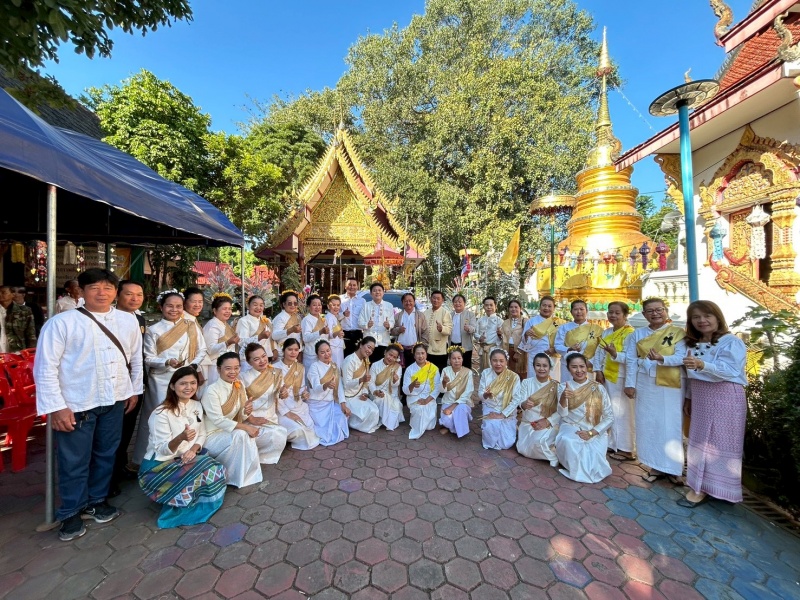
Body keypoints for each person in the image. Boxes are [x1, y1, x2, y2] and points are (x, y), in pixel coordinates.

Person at [34, 268, 143, 541]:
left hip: (115, 398)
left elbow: (135, 358)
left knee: (106, 453)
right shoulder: (62, 323)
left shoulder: (127, 321)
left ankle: (96, 501)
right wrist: (57, 407)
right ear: (81, 291)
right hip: (77, 403)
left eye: (108, 288)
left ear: (115, 292)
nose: (101, 293)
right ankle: (71, 511)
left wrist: (133, 390)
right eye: (94, 287)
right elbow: (45, 367)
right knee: (74, 460)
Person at [679, 300, 748, 508]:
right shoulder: (693, 343)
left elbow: (731, 370)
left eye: (707, 315)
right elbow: (690, 375)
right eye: (696, 317)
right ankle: (699, 485)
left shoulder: (731, 342)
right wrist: (689, 398)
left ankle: (719, 489)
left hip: (725, 395)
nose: (702, 320)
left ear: (717, 317)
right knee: (700, 441)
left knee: (721, 443)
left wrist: (703, 364)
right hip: (701, 396)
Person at [138, 367, 226, 528]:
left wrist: (193, 449)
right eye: (183, 383)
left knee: (214, 468)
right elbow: (162, 449)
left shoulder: (196, 405)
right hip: (159, 466)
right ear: (172, 386)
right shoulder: (161, 413)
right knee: (208, 467)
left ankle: (190, 496)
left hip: (185, 457)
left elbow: (202, 433)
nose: (189, 387)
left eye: (193, 383)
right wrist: (180, 438)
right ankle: (173, 497)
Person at [133, 290, 208, 466]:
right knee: (159, 416)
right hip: (161, 380)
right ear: (161, 307)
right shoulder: (153, 330)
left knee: (185, 415)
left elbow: (202, 350)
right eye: (170, 306)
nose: (174, 310)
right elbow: (148, 358)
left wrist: (192, 366)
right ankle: (149, 459)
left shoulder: (191, 325)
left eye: (178, 306)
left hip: (185, 378)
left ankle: (185, 453)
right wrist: (166, 362)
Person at [624, 297, 687, 484]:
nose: (655, 314)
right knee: (649, 424)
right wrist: (630, 384)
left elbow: (682, 357)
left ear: (666, 310)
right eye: (650, 311)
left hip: (670, 385)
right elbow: (630, 360)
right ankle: (655, 466)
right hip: (645, 383)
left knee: (671, 425)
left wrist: (662, 359)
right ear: (644, 314)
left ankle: (674, 469)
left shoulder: (678, 333)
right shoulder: (637, 334)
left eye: (659, 309)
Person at [202, 353, 273, 487]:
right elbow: (218, 420)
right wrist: (246, 426)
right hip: (212, 436)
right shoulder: (211, 391)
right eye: (228, 368)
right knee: (241, 433)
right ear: (219, 369)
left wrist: (247, 410)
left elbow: (242, 415)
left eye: (236, 368)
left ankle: (248, 473)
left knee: (266, 432)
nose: (233, 372)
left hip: (229, 431)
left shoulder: (238, 385)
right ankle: (233, 477)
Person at [110, 280, 146, 495]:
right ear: (118, 295)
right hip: (116, 384)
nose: (134, 299)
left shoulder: (139, 319)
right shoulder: (109, 319)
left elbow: (138, 355)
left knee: (127, 430)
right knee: (113, 434)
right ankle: (109, 479)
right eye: (129, 294)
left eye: (139, 294)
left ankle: (120, 467)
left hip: (135, 384)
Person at [555, 353, 614, 483]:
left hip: (595, 430)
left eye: (582, 366)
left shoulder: (598, 388)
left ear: (587, 367)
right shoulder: (563, 387)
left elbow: (610, 417)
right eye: (574, 367)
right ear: (568, 369)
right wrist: (563, 397)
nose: (579, 370)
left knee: (594, 461)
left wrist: (591, 433)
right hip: (571, 426)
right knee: (570, 442)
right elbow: (562, 414)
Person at [592, 302, 636, 461]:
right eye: (610, 312)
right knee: (609, 410)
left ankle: (626, 448)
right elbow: (598, 353)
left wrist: (614, 353)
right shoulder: (606, 332)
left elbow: (631, 359)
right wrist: (597, 370)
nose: (613, 315)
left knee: (623, 413)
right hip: (606, 376)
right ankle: (612, 442)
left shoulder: (630, 334)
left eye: (617, 313)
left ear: (625, 315)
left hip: (621, 377)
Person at [241, 343, 290, 463]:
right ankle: (250, 451)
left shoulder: (275, 373)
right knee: (278, 434)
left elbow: (280, 392)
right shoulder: (243, 377)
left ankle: (254, 450)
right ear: (249, 362)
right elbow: (240, 403)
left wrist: (283, 393)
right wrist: (251, 418)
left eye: (264, 356)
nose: (262, 361)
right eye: (256, 359)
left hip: (270, 417)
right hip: (251, 419)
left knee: (281, 433)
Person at [513, 353, 560, 466]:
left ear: (550, 367)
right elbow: (520, 401)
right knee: (523, 450)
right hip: (528, 423)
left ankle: (554, 455)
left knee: (539, 442)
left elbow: (560, 411)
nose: (541, 368)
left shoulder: (556, 386)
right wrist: (524, 404)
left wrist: (547, 421)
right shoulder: (526, 383)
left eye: (545, 366)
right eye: (538, 365)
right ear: (533, 367)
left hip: (547, 425)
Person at [273, 338, 320, 450]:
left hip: (298, 405)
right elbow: (273, 395)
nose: (293, 352)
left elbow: (302, 388)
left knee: (312, 427)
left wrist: (304, 394)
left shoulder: (300, 367)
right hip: (281, 409)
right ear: (283, 350)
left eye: (296, 350)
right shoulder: (274, 368)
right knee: (298, 431)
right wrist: (287, 413)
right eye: (290, 349)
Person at [306, 340, 350, 445]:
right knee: (326, 430)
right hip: (317, 404)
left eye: (328, 350)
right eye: (322, 352)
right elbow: (316, 388)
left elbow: (339, 387)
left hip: (330, 403)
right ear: (317, 354)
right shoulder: (314, 367)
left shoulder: (334, 366)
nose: (326, 354)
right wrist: (326, 385)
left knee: (342, 416)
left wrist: (343, 404)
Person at [478, 348, 520, 450]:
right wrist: (485, 395)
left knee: (506, 443)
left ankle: (510, 426)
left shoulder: (514, 377)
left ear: (506, 361)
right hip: (490, 407)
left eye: (501, 361)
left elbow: (516, 399)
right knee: (491, 431)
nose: (498, 364)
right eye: (495, 360)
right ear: (490, 361)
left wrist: (502, 415)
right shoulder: (486, 373)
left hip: (507, 411)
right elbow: (480, 394)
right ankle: (487, 426)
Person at [554, 300, 604, 382]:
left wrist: (591, 362)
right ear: (571, 312)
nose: (579, 312)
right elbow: (557, 346)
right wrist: (569, 349)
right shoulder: (564, 328)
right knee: (568, 387)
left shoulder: (596, 329)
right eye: (576, 309)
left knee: (586, 389)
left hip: (588, 365)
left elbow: (601, 349)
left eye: (581, 309)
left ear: (586, 311)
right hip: (568, 365)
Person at [341, 336, 381, 433]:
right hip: (348, 397)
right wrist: (360, 380)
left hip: (359, 395)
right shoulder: (349, 360)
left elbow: (366, 383)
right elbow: (346, 384)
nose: (370, 351)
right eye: (368, 347)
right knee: (370, 412)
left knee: (375, 410)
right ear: (361, 345)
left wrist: (365, 393)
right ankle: (351, 422)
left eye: (372, 349)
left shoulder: (365, 360)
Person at [403, 343, 441, 439]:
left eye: (423, 353)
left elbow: (437, 388)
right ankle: (415, 421)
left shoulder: (433, 368)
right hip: (414, 398)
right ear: (414, 355)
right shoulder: (409, 369)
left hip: (429, 398)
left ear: (426, 354)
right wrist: (412, 385)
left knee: (430, 426)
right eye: (418, 353)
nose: (420, 356)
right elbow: (405, 390)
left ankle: (416, 420)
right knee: (420, 410)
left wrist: (426, 400)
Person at [202, 294, 240, 387]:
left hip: (228, 365)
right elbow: (210, 349)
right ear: (215, 311)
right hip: (216, 367)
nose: (228, 311)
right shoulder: (212, 325)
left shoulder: (224, 324)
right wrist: (227, 343)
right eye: (224, 309)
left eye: (230, 309)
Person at [519, 295, 560, 381]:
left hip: (553, 356)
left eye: (549, 306)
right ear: (540, 306)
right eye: (544, 305)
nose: (546, 308)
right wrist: (526, 334)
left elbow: (563, 341)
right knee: (534, 381)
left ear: (554, 308)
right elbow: (523, 341)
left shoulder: (558, 323)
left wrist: (555, 349)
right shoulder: (531, 321)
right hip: (535, 356)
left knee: (552, 382)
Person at [438, 345, 475, 438]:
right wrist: (444, 382)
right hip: (448, 401)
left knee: (460, 410)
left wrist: (452, 407)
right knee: (446, 420)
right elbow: (441, 390)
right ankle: (457, 425)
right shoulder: (445, 370)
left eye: (459, 358)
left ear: (462, 359)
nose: (457, 361)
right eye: (454, 358)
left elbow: (468, 392)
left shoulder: (468, 372)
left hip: (462, 403)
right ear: (450, 360)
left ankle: (456, 428)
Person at [369, 343, 404, 431]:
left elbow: (395, 386)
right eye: (390, 355)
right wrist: (375, 392)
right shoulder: (375, 365)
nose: (391, 358)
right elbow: (371, 382)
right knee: (382, 400)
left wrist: (395, 380)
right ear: (385, 352)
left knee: (396, 407)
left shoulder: (398, 367)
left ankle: (384, 421)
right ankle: (385, 421)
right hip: (377, 393)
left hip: (391, 395)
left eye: (394, 357)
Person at [390, 292, 428, 368]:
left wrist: (422, 346)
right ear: (402, 303)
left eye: (410, 301)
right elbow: (391, 331)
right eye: (405, 301)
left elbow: (425, 332)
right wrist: (398, 330)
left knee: (415, 370)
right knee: (401, 370)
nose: (408, 303)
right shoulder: (398, 316)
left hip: (415, 350)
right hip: (401, 350)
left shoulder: (420, 316)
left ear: (414, 302)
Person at [359, 282, 394, 363]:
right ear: (371, 293)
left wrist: (388, 325)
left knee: (382, 365)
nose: (377, 292)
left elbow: (392, 321)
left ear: (383, 292)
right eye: (374, 290)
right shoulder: (366, 305)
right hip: (369, 343)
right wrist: (367, 324)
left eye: (379, 290)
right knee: (368, 364)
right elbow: (360, 322)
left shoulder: (389, 305)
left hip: (384, 341)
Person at [236, 295, 275, 365]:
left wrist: (274, 349)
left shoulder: (267, 321)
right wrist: (259, 337)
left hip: (265, 358)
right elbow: (241, 341)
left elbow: (272, 338)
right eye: (255, 305)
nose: (258, 308)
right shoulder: (244, 321)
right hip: (250, 360)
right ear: (248, 306)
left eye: (261, 305)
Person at [0, 285, 36, 352]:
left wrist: (31, 352)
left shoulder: (24, 311)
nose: (0, 294)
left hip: (16, 351)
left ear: (13, 294)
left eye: (3, 292)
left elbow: (31, 333)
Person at [424, 290, 453, 371]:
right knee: (428, 371)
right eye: (434, 298)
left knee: (440, 371)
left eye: (438, 298)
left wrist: (441, 329)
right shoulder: (425, 312)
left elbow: (449, 330)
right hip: (427, 348)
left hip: (440, 350)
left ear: (442, 300)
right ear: (430, 299)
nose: (435, 300)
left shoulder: (445, 313)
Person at [302, 294, 330, 371]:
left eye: (319, 305)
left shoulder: (322, 318)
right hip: (311, 355)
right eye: (314, 305)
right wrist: (320, 332)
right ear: (308, 307)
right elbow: (305, 338)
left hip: (323, 355)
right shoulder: (307, 320)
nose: (317, 307)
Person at [474, 296, 503, 370]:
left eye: (491, 305)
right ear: (484, 307)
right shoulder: (480, 320)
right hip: (482, 349)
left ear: (495, 306)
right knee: (483, 370)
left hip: (494, 350)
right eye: (486, 305)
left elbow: (503, 337)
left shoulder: (500, 321)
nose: (489, 307)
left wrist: (500, 335)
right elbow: (475, 333)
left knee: (494, 370)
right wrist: (479, 337)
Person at [450, 294, 477, 370]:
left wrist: (469, 328)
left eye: (460, 302)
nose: (457, 304)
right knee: (453, 365)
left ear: (464, 303)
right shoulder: (450, 315)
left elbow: (474, 328)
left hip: (465, 346)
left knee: (466, 366)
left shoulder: (470, 314)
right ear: (453, 304)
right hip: (452, 345)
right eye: (455, 302)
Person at [272, 290, 303, 358]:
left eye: (295, 303)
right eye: (289, 303)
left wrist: (300, 351)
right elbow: (274, 335)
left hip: (295, 353)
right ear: (284, 304)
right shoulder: (280, 317)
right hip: (282, 354)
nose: (293, 305)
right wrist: (290, 330)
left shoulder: (297, 316)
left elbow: (299, 336)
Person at [340, 277, 366, 357]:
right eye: (350, 285)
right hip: (343, 334)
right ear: (345, 286)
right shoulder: (339, 299)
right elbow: (334, 316)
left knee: (357, 358)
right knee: (344, 358)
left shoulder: (362, 301)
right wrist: (343, 314)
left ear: (357, 287)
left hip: (358, 333)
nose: (352, 287)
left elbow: (365, 317)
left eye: (354, 285)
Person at [500, 299, 526, 379]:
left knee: (521, 374)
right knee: (509, 374)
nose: (513, 309)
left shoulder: (525, 321)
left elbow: (527, 339)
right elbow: (503, 337)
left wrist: (518, 352)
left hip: (521, 352)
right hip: (507, 351)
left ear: (520, 309)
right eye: (511, 307)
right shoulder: (505, 322)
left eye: (516, 307)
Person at [326, 295, 346, 367]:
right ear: (328, 306)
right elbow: (329, 334)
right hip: (333, 347)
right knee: (335, 367)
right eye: (333, 305)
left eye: (338, 305)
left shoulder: (334, 316)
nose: (336, 307)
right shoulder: (329, 317)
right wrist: (337, 333)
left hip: (338, 346)